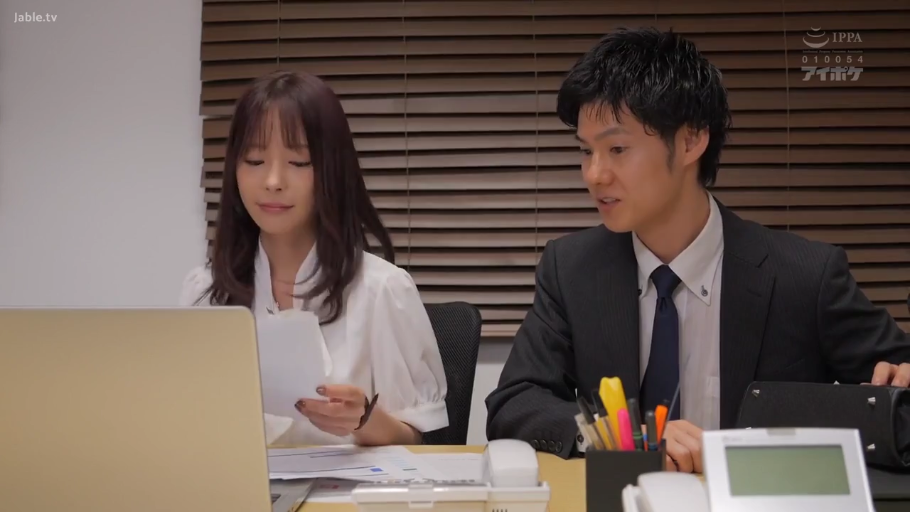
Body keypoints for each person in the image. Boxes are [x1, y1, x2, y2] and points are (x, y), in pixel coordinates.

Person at [485, 28, 910, 469]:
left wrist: (894, 391)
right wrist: (617, 437)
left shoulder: (804, 275)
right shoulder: (573, 268)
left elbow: (898, 386)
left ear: (690, 141)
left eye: (617, 148)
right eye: (586, 151)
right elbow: (515, 404)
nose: (594, 174)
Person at [180, 70, 448, 447]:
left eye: (299, 162)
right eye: (254, 160)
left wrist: (362, 420)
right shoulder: (205, 290)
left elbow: (417, 440)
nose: (273, 181)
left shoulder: (382, 290)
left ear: (331, 169)